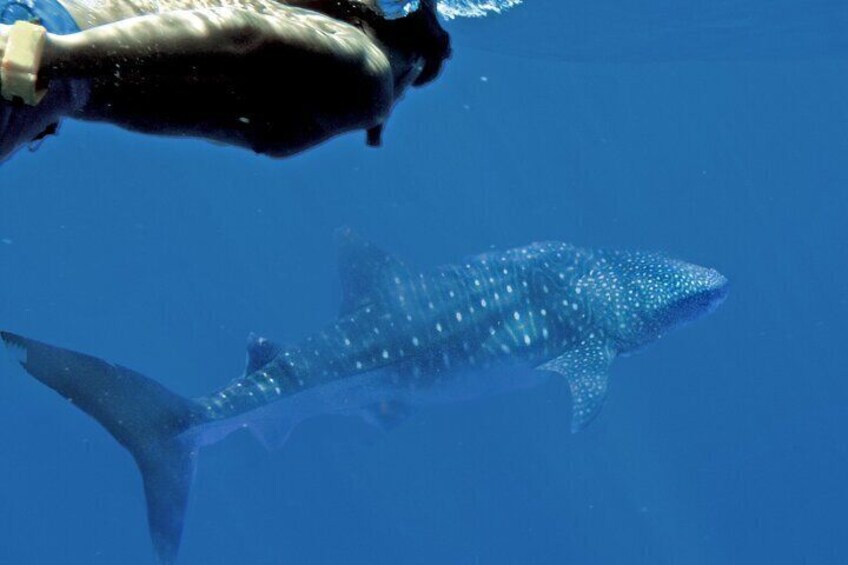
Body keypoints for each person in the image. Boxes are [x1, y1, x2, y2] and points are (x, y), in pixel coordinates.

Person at [0, 0, 452, 162]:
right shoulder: (367, 70)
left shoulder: (336, 41)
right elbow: (241, 34)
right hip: (33, 46)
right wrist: (48, 55)